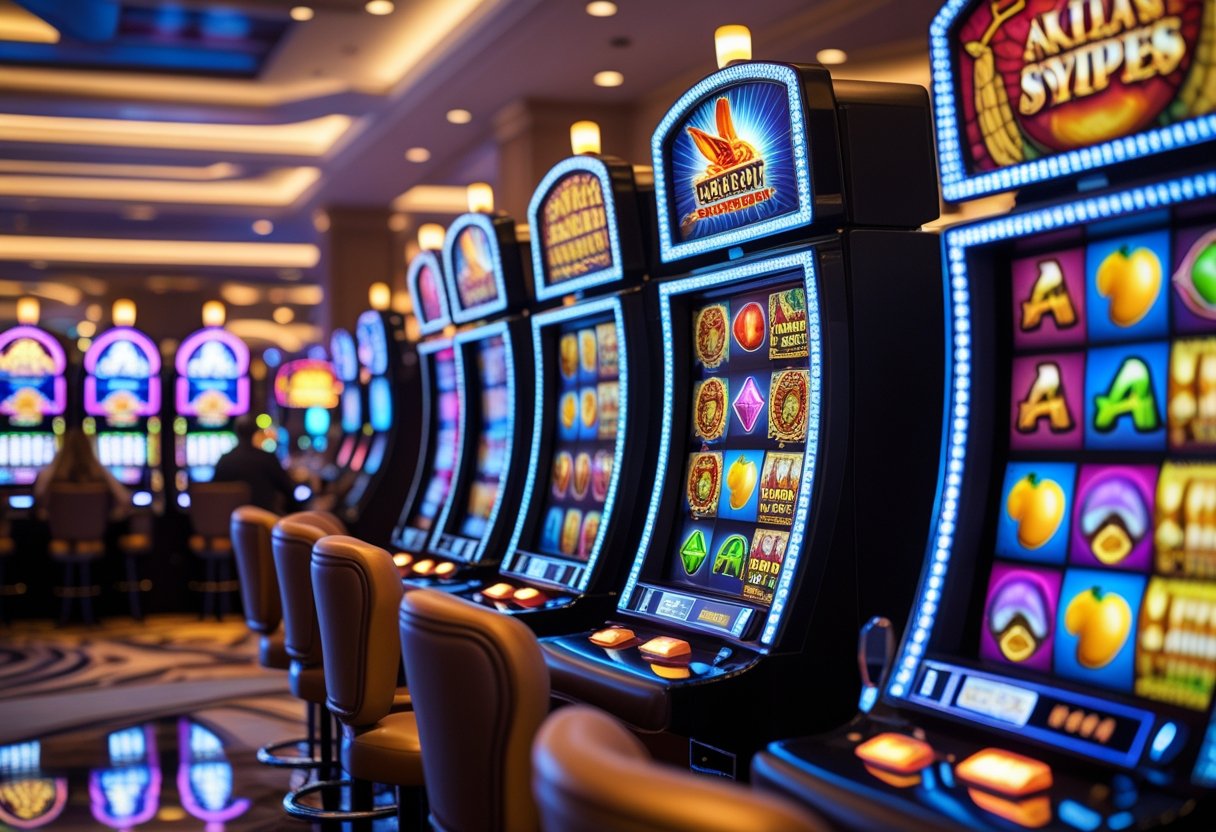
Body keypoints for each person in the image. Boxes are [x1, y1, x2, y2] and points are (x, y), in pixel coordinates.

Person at [34, 428, 132, 522]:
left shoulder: (50, 474)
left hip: (58, 531)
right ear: (89, 449)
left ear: (63, 448)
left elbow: (38, 498)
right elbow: (125, 499)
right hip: (96, 531)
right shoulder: (101, 474)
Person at [212, 417, 297, 513]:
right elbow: (287, 489)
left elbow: (214, 493)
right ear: (255, 432)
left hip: (230, 518)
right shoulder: (267, 458)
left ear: (236, 432)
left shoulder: (225, 460)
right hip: (264, 518)